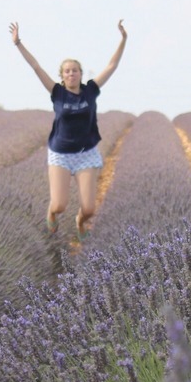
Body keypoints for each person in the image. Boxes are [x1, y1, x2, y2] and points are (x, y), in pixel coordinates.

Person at [10, 20, 127, 241]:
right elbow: (36, 66)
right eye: (66, 71)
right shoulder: (57, 92)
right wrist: (18, 44)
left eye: (74, 70)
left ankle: (80, 222)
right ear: (62, 76)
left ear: (80, 74)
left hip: (86, 153)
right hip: (60, 154)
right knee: (59, 204)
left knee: (89, 208)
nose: (71, 74)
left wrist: (123, 39)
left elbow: (112, 66)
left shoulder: (90, 90)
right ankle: (51, 214)